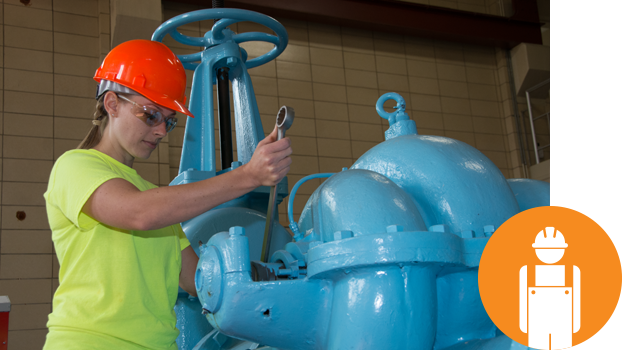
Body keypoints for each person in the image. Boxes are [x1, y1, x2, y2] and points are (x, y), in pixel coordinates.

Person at [42, 39, 292, 350]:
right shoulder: (75, 166)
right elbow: (139, 214)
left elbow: (197, 279)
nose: (161, 131)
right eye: (150, 115)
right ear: (112, 104)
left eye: (169, 121)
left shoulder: (155, 199)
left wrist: (277, 274)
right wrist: (247, 176)